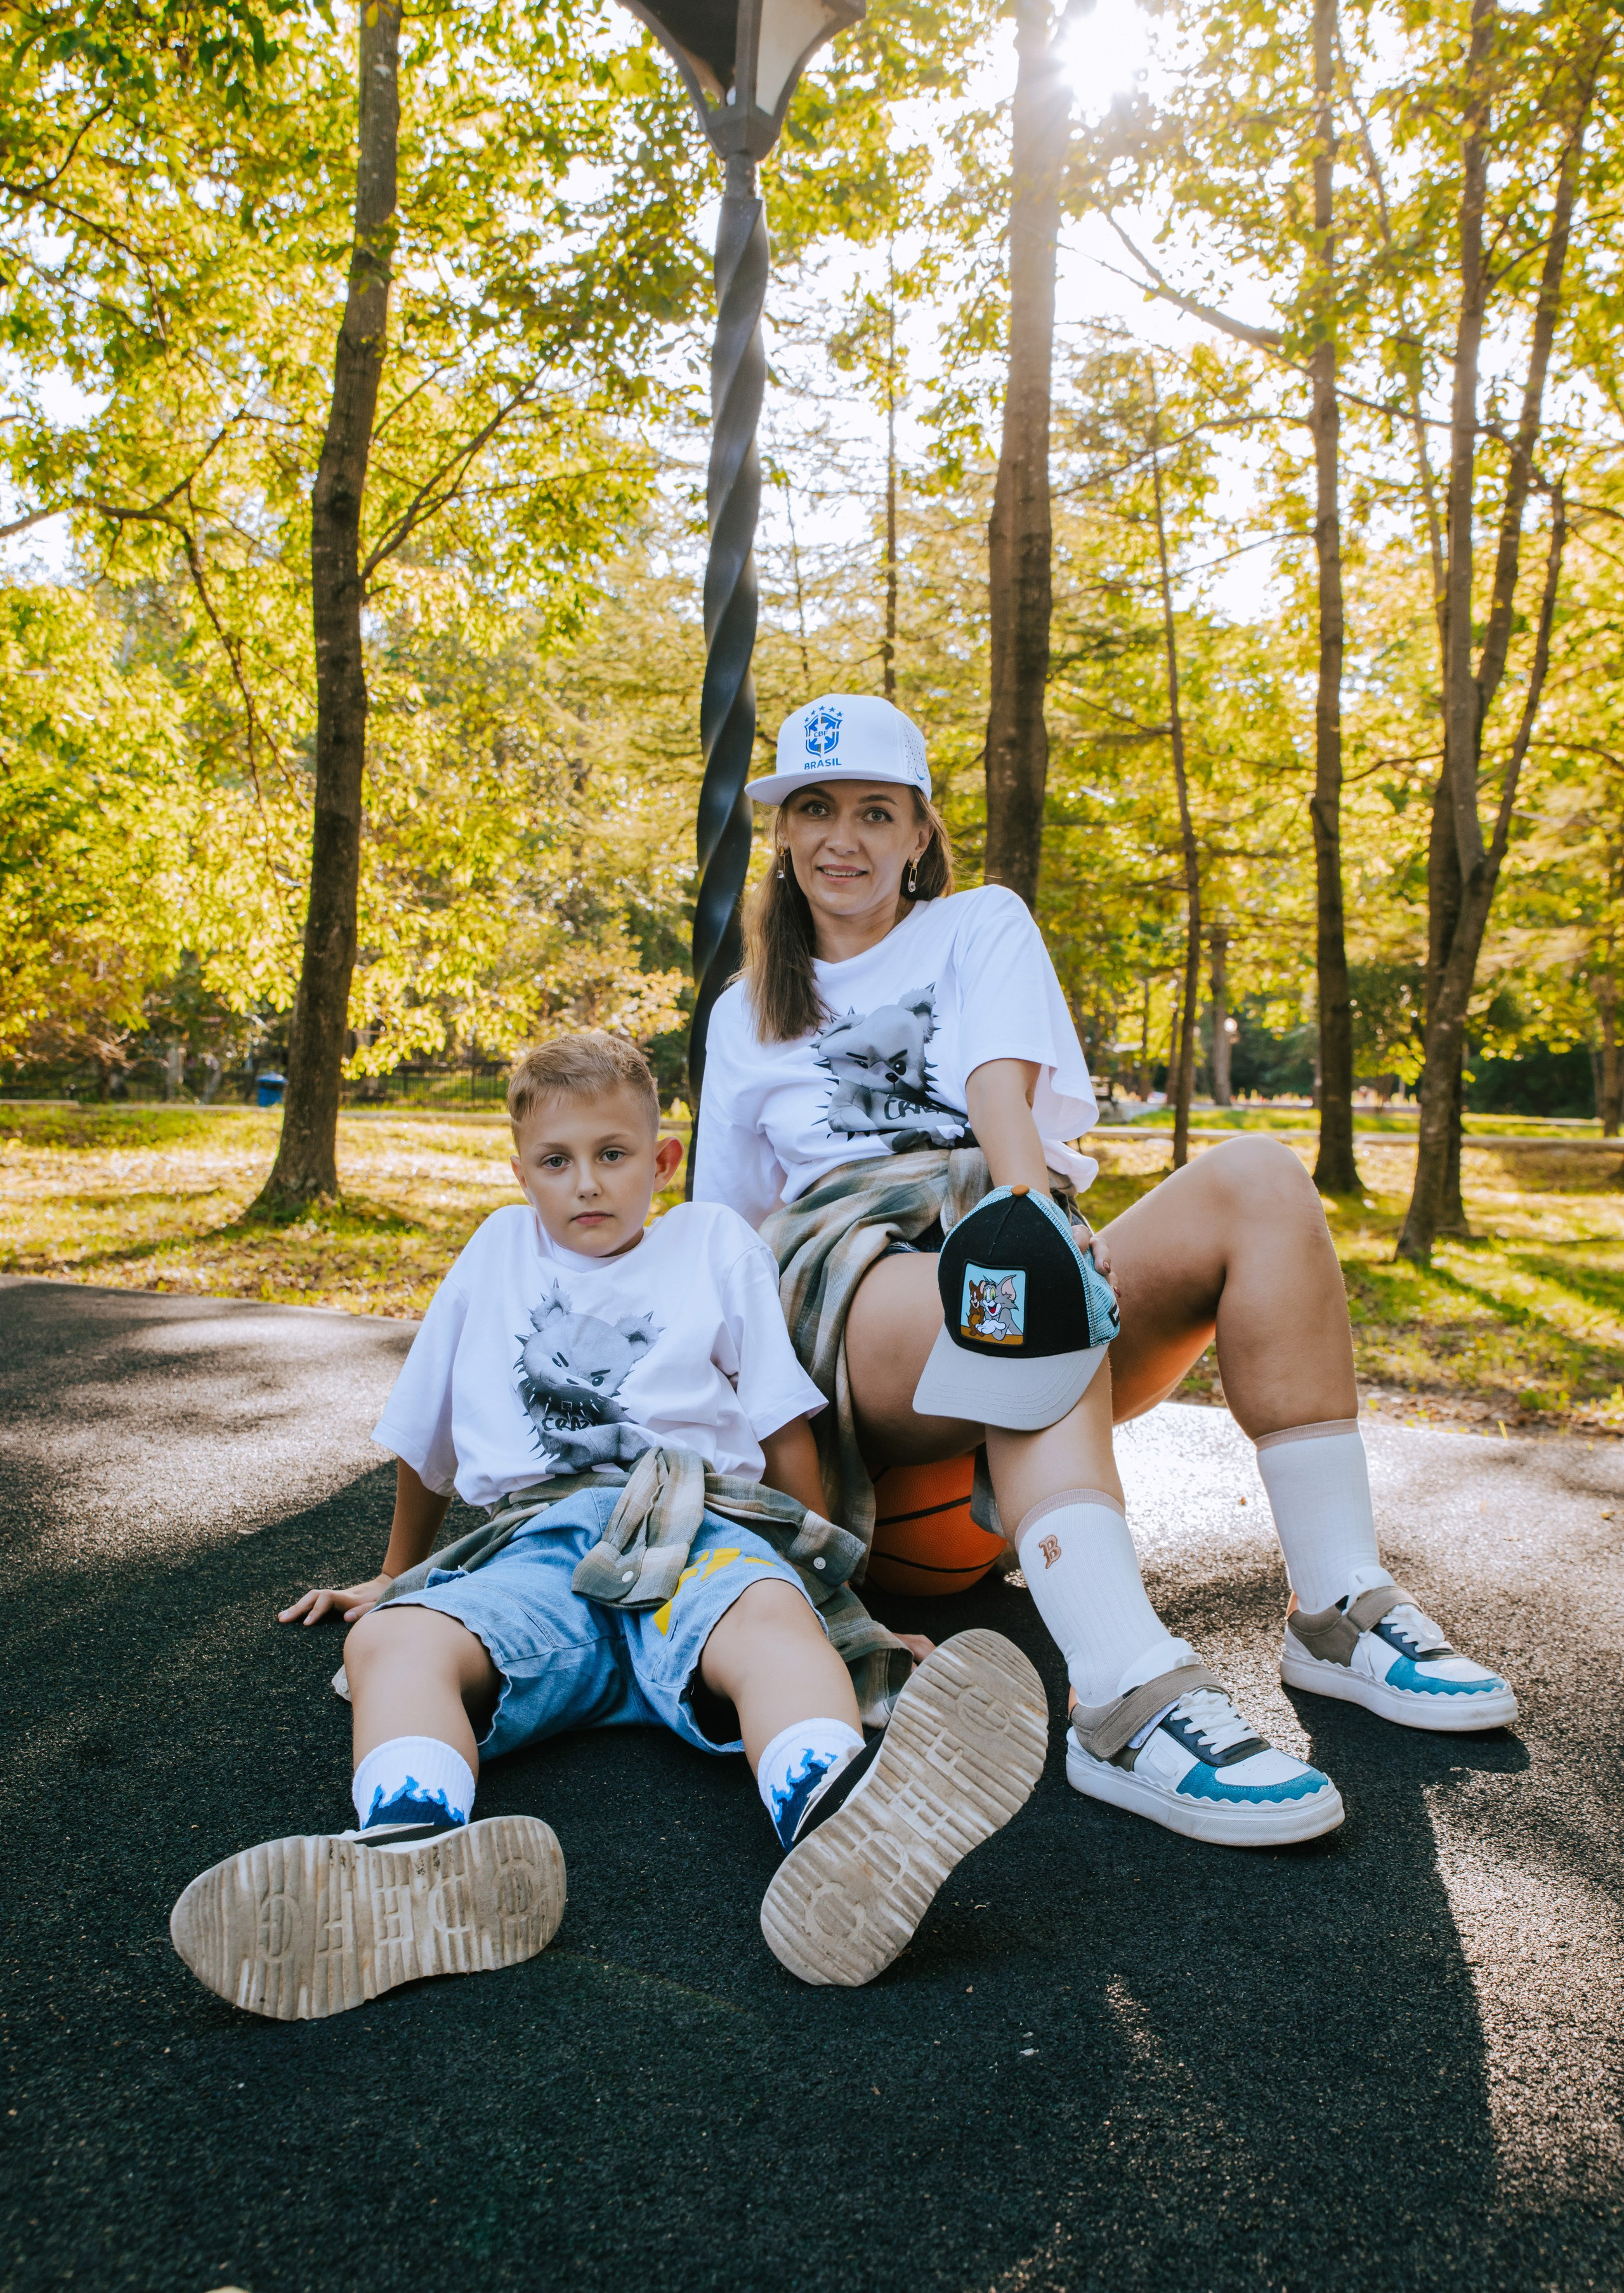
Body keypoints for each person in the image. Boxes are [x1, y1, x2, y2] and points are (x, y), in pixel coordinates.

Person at [693, 693, 1518, 1851]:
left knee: (1260, 1181)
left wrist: (1030, 1210)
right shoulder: (743, 1013)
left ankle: (1336, 1605)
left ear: (922, 833)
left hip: (1002, 1217)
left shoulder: (980, 924)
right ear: (783, 833)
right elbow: (721, 1238)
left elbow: (997, 1083)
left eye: (877, 812)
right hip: (847, 1288)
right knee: (1024, 1289)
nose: (845, 837)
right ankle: (1123, 1700)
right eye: (816, 810)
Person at [169, 1033, 1046, 2019]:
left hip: (698, 1519)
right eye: (556, 1161)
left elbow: (783, 1427)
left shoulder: (713, 1243)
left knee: (772, 1626)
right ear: (521, 1172)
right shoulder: (495, 1250)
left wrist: (839, 1605)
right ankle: (412, 1849)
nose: (586, 1182)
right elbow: (430, 1437)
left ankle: (837, 1816)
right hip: (542, 1546)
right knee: (395, 1639)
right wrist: (395, 1573)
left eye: (613, 1154)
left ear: (661, 1161)